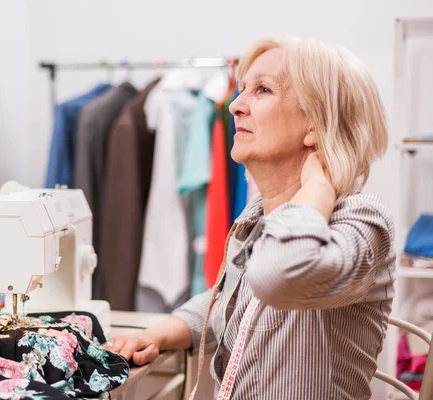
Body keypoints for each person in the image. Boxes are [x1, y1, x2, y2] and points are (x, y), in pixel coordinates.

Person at [104, 36, 395, 400]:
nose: (236, 106)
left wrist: (318, 189)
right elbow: (232, 298)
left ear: (315, 124)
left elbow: (275, 277)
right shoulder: (259, 214)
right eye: (242, 90)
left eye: (263, 90)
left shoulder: (364, 222)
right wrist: (159, 334)